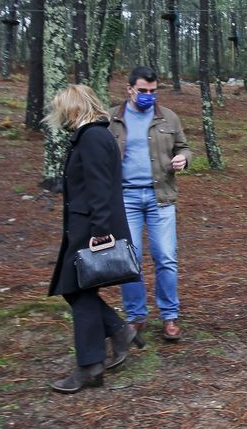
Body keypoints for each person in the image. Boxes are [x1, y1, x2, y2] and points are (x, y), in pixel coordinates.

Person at [45, 85, 144, 393]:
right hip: (84, 225)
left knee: (79, 292)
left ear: (74, 108)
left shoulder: (93, 138)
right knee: (75, 290)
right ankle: (118, 332)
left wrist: (100, 232)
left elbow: (101, 188)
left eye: (62, 110)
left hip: (91, 228)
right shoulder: (93, 136)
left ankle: (90, 366)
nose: (58, 116)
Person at [109, 66, 192, 341]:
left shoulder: (168, 118)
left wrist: (184, 158)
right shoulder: (111, 119)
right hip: (125, 198)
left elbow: (184, 147)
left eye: (153, 92)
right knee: (129, 259)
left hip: (161, 197)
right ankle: (135, 317)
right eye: (142, 91)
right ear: (129, 88)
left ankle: (170, 316)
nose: (148, 96)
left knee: (166, 257)